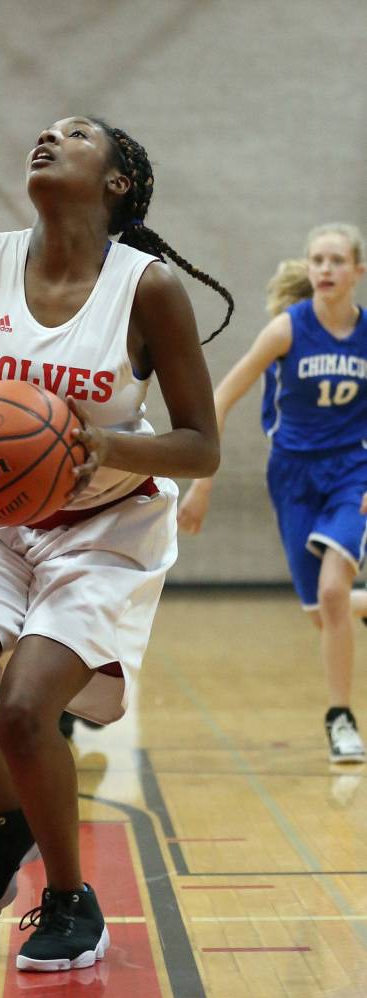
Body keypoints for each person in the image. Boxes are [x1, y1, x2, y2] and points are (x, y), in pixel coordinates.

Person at [0, 115, 232, 972]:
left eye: (75, 135)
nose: (47, 138)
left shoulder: (147, 288)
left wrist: (102, 444)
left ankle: (71, 898)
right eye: (44, 131)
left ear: (117, 180)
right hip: (5, 521)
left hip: (108, 527)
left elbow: (202, 445)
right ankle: (9, 818)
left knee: (22, 708)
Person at [178, 224, 367, 764]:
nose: (326, 269)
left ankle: (340, 719)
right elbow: (218, 399)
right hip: (292, 476)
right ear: (308, 270)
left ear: (357, 272)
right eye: (317, 260)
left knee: (332, 594)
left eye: (336, 260)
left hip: (353, 471)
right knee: (321, 611)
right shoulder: (288, 330)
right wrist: (202, 486)